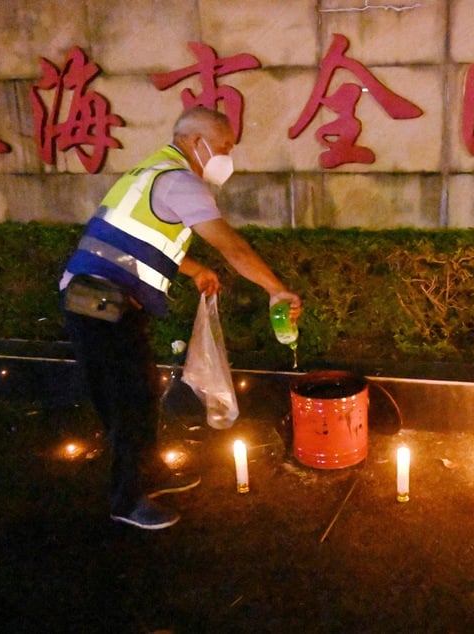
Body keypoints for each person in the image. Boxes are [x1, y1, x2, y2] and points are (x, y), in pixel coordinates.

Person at [60, 106, 302, 530]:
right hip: (98, 305)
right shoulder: (181, 181)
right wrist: (275, 288)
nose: (227, 157)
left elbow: (143, 238)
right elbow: (234, 248)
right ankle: (127, 500)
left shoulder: (150, 172)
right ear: (197, 142)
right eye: (224, 147)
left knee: (142, 392)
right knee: (127, 403)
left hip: (105, 302)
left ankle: (148, 475)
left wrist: (194, 270)